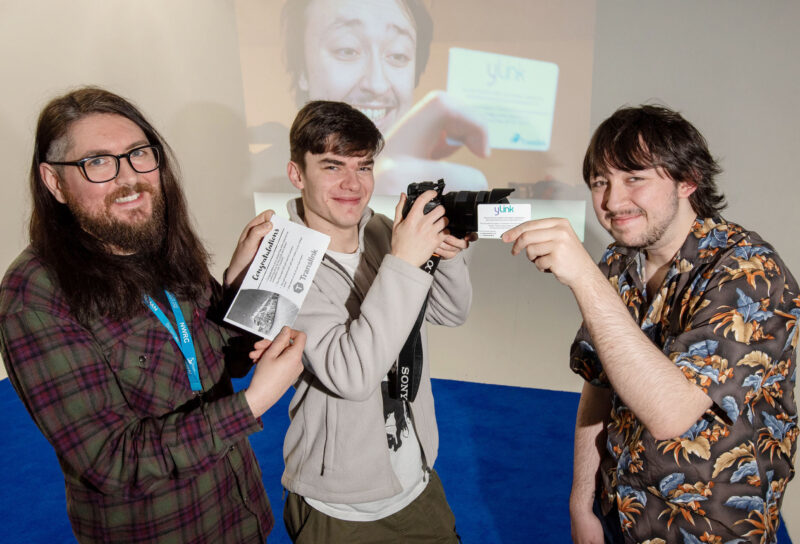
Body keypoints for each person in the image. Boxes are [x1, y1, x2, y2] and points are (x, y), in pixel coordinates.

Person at [0, 87, 306, 543]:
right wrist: (252, 404)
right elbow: (111, 460)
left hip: (239, 514)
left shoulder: (160, 241)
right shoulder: (36, 297)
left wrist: (243, 284)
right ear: (54, 182)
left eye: (138, 154)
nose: (129, 178)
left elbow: (220, 358)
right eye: (98, 162)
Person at [503, 105, 798, 543]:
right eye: (600, 181)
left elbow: (671, 413)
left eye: (634, 178)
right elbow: (599, 382)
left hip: (710, 529)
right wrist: (581, 504)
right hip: (624, 511)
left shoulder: (750, 272)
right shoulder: (620, 261)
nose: (611, 202)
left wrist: (583, 277)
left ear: (688, 180)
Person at [274, 100, 473, 542]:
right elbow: (351, 374)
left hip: (415, 479)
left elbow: (448, 311)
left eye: (363, 167)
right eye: (332, 166)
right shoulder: (284, 262)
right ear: (296, 174)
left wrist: (446, 255)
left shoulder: (384, 230)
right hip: (340, 503)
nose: (352, 184)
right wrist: (404, 259)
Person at [249, 0, 489, 195]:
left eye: (397, 55)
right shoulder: (249, 182)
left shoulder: (437, 178)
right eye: (347, 50)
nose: (377, 84)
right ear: (302, 69)